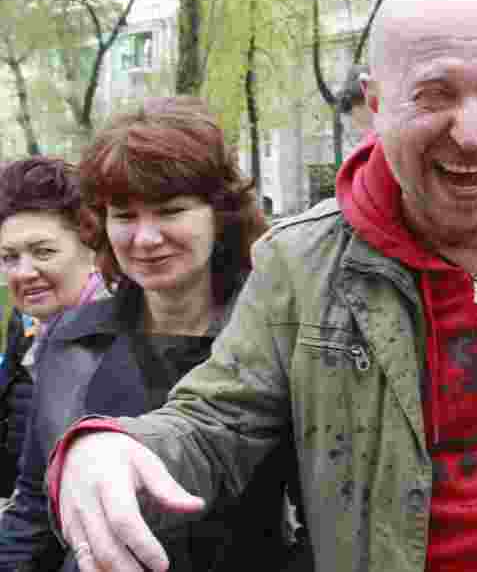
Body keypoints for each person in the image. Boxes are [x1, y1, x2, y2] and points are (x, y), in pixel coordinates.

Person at [45, 0, 477, 572]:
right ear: (375, 102)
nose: (474, 132)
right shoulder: (301, 264)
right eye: (435, 95)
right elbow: (216, 421)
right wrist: (114, 446)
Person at [0, 98, 296, 572]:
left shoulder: (274, 335)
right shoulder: (71, 340)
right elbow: (37, 508)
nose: (145, 237)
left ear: (219, 213)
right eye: (124, 216)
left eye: (170, 210)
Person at [0, 157, 105, 498]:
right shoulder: (35, 320)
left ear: (91, 248)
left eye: (43, 252)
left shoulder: (118, 342)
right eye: (9, 257)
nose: (23, 272)